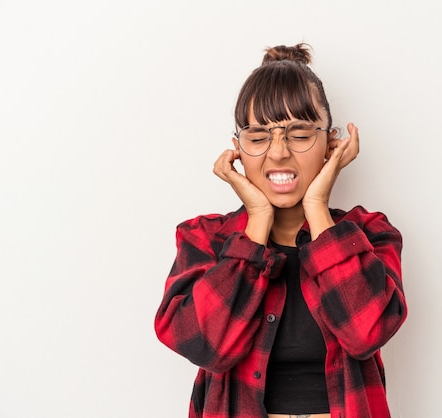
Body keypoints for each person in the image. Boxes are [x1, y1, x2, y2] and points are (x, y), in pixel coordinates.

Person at [154, 43, 407, 418]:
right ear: (238, 148)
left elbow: (366, 332)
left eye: (300, 134)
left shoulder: (370, 234)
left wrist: (318, 208)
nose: (277, 153)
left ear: (330, 143)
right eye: (258, 138)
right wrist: (258, 219)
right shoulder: (205, 239)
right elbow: (206, 347)